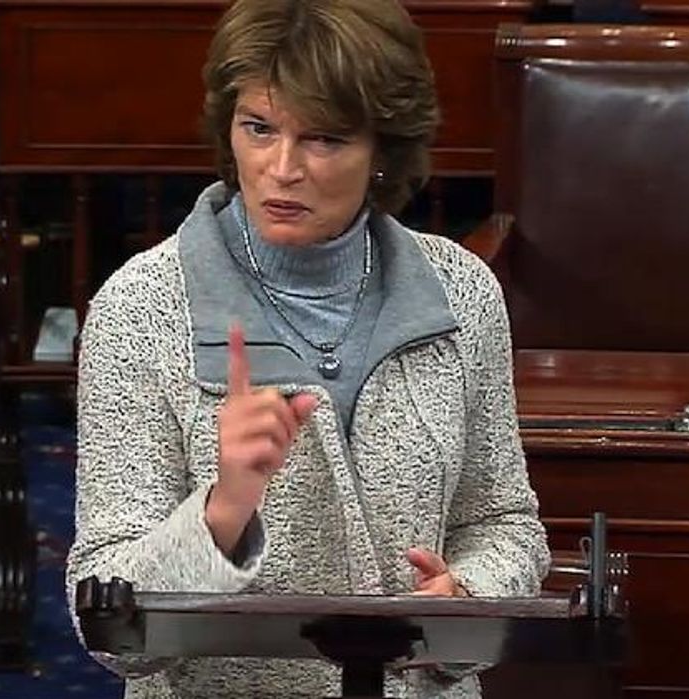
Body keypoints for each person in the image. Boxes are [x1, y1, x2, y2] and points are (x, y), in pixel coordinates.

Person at [66, 0, 550, 696]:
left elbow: (502, 521)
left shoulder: (460, 293)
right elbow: (105, 623)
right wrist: (222, 512)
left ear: (382, 149)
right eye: (258, 128)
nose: (281, 168)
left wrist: (465, 597)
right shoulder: (140, 307)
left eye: (323, 139)